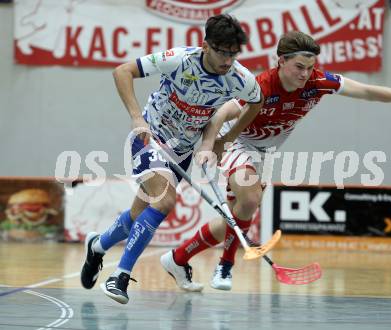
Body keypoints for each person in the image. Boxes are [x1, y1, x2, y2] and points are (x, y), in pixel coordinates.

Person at [164, 30, 391, 291]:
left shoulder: (317, 82)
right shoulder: (260, 85)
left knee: (235, 219)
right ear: (281, 61)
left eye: (309, 67)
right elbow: (222, 113)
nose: (304, 74)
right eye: (298, 67)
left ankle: (176, 259)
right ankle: (225, 266)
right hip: (236, 140)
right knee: (249, 202)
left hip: (265, 152)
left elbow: (367, 92)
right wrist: (211, 145)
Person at [80, 14, 263, 304]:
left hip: (183, 152)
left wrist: (220, 141)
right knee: (165, 201)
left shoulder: (240, 78)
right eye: (222, 52)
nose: (228, 60)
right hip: (149, 138)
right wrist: (137, 117)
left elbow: (257, 102)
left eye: (233, 53)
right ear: (206, 46)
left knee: (139, 216)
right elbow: (122, 71)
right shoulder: (178, 59)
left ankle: (97, 246)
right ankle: (120, 276)